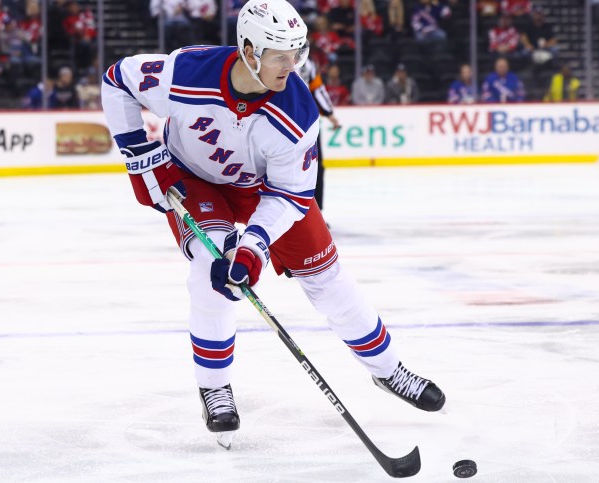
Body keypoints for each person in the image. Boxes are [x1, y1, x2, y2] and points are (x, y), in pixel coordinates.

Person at [101, 0, 445, 448]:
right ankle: (214, 387)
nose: (292, 65)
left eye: (297, 52)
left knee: (328, 279)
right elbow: (117, 81)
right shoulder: (186, 72)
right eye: (280, 54)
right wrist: (145, 162)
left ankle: (389, 370)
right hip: (194, 179)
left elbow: (290, 195)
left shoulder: (298, 112)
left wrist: (255, 247)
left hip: (265, 188)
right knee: (212, 265)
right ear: (248, 49)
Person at [298, 56, 340, 211]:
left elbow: (317, 88)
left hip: (305, 122)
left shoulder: (306, 62)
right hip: (305, 122)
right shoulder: (306, 62)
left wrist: (329, 114)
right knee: (314, 167)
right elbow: (317, 89)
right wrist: (329, 114)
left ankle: (315, 214)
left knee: (314, 167)